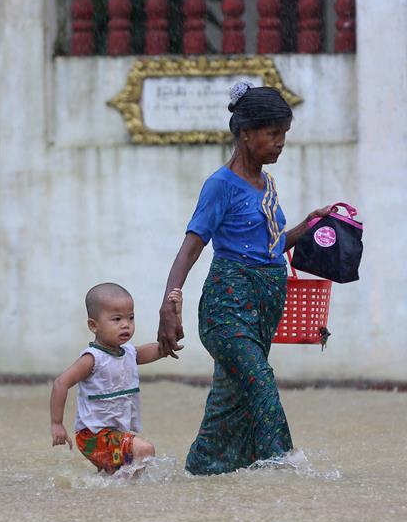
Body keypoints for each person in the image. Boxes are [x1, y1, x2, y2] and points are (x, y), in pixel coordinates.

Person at [157, 81, 335, 476]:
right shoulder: (221, 185)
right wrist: (170, 303)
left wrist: (309, 225)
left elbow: (270, 246)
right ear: (245, 133)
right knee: (259, 384)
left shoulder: (267, 184)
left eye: (284, 134)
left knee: (230, 400)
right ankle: (284, 469)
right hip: (228, 305)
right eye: (273, 134)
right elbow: (192, 245)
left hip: (263, 306)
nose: (280, 143)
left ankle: (201, 470)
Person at [50, 282, 183, 474]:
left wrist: (176, 315)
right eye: (117, 319)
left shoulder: (129, 353)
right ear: (93, 325)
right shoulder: (92, 359)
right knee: (144, 450)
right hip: (93, 436)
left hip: (115, 434)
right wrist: (57, 423)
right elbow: (61, 383)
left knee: (116, 478)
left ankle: (118, 499)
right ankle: (132, 495)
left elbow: (164, 347)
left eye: (131, 317)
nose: (126, 324)